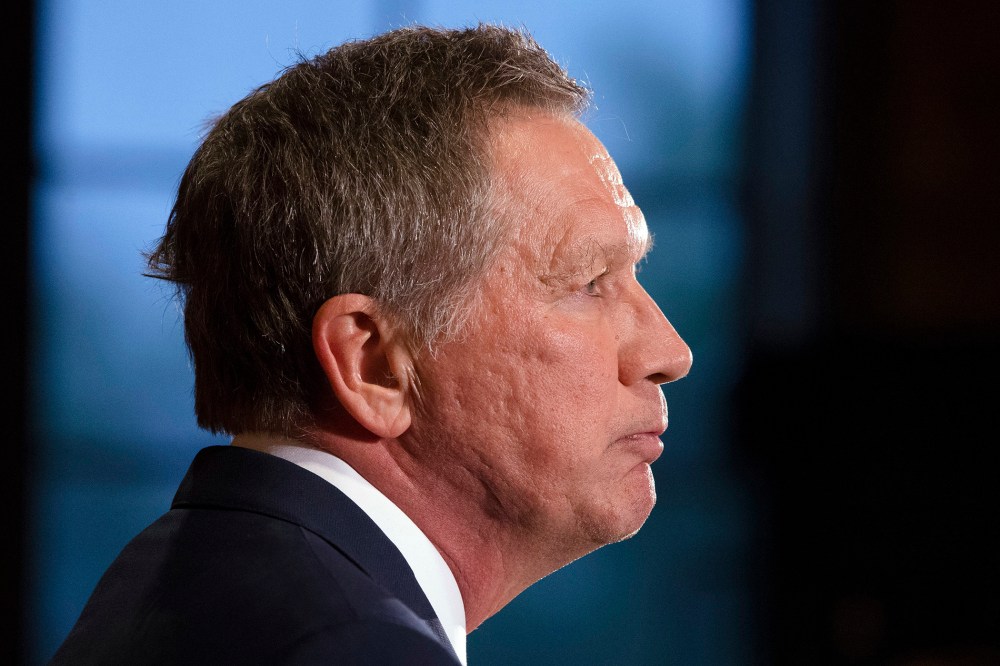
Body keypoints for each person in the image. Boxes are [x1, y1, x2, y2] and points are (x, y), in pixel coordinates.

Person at [50, 23, 692, 665]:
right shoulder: (355, 647)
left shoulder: (171, 586)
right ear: (375, 365)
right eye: (588, 283)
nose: (671, 353)